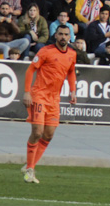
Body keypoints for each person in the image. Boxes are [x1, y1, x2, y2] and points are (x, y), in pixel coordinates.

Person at [21, 25, 78, 184]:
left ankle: (29, 164)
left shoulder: (72, 54)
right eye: (60, 34)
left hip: (54, 99)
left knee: (49, 134)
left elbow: (71, 72)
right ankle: (30, 169)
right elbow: (30, 70)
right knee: (37, 132)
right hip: (39, 94)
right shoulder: (45, 51)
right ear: (55, 35)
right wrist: (27, 92)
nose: (63, 37)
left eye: (66, 34)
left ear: (70, 36)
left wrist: (73, 91)